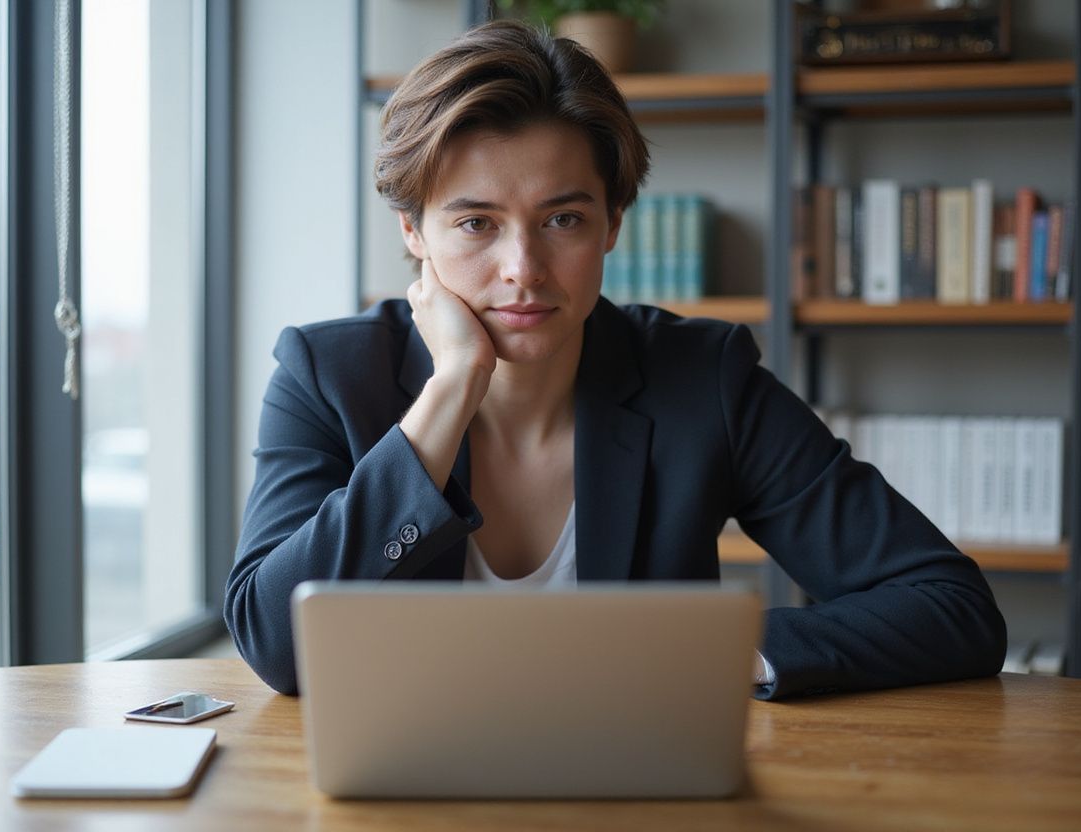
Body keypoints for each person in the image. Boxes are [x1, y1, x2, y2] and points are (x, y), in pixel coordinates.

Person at [225, 20, 1006, 699]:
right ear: (413, 232)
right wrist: (448, 395)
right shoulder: (325, 375)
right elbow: (274, 643)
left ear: (613, 224)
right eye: (476, 225)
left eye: (562, 218)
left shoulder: (703, 378)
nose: (523, 268)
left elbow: (950, 605)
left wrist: (696, 656)